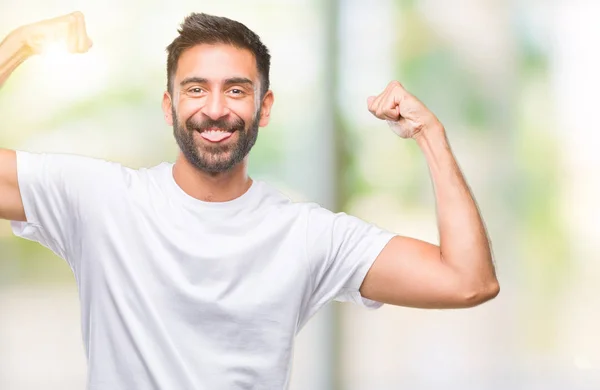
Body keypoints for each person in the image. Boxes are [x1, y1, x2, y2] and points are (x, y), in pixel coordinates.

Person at [0, 11, 499, 390]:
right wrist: (18, 45)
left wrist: (430, 135)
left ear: (264, 108)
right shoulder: (101, 200)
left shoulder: (307, 236)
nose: (215, 110)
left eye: (236, 91)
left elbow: (467, 281)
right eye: (196, 89)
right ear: (169, 105)